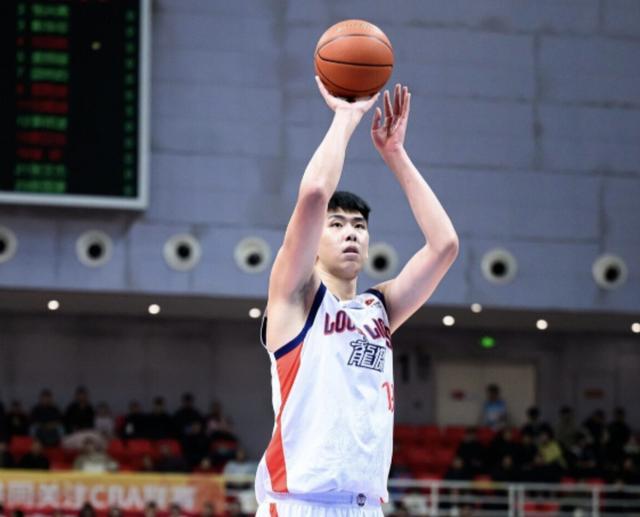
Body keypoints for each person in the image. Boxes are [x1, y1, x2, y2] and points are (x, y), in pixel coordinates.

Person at [254, 77, 459, 516]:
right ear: (315, 239)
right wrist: (346, 118)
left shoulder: (379, 307)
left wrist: (396, 154)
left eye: (359, 226)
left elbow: (444, 245)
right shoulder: (296, 296)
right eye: (337, 224)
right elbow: (314, 194)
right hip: (299, 505)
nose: (351, 232)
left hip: (365, 506)